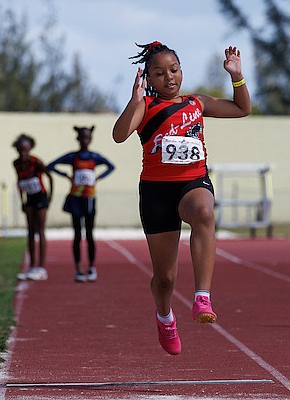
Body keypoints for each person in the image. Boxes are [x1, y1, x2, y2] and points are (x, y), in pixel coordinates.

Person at [112, 42, 251, 355]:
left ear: (182, 71)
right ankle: (165, 316)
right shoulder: (145, 106)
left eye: (174, 70)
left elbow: (242, 109)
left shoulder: (196, 102)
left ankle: (203, 295)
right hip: (156, 192)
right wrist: (134, 102)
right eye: (160, 73)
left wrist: (236, 77)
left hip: (193, 182)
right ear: (149, 78)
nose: (169, 78)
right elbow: (119, 135)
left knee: (204, 213)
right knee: (165, 278)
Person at [47, 126, 115, 282]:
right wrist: (65, 175)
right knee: (77, 235)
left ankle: (91, 267)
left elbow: (111, 167)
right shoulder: (73, 157)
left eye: (88, 137)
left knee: (90, 234)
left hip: (89, 198)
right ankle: (78, 269)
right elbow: (50, 165)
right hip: (75, 199)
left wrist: (98, 177)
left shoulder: (95, 157)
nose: (85, 140)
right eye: (83, 137)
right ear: (78, 139)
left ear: (91, 139)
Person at [12, 134, 53, 281]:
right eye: (20, 150)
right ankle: (31, 266)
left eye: (25, 150)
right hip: (29, 198)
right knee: (30, 231)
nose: (23, 153)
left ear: (30, 148)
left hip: (40, 197)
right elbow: (19, 181)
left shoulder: (36, 161)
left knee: (40, 230)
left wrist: (49, 197)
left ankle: (41, 268)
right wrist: (21, 200)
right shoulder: (16, 163)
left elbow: (49, 176)